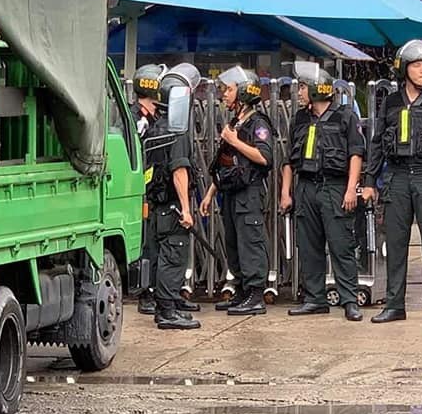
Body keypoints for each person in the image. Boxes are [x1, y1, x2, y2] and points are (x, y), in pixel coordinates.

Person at [362, 40, 422, 327]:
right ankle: (394, 305)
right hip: (397, 178)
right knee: (395, 244)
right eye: (417, 66)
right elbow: (377, 143)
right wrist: (370, 180)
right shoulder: (390, 104)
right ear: (404, 70)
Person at [280, 62, 365, 322]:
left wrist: (351, 189)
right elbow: (289, 160)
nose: (299, 92)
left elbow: (356, 154)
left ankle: (349, 300)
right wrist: (286, 192)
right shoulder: (300, 118)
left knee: (341, 246)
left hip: (335, 187)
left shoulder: (345, 116)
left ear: (319, 89)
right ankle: (314, 298)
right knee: (308, 246)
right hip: (306, 186)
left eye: (304, 87)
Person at [200, 66, 274, 316]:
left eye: (229, 90)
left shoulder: (258, 123)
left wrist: (235, 141)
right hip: (230, 192)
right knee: (234, 244)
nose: (224, 94)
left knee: (250, 242)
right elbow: (225, 161)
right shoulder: (235, 122)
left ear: (243, 93)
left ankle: (255, 294)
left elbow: (264, 157)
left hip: (249, 194)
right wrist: (210, 193)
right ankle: (242, 290)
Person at [144, 75, 200, 330]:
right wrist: (186, 209)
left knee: (163, 257)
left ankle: (168, 304)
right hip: (172, 207)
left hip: (158, 206)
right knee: (173, 257)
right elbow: (179, 171)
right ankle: (167, 311)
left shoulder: (157, 127)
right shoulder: (176, 132)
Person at [130, 63, 164, 316]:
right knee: (146, 244)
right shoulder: (137, 119)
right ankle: (145, 293)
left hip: (151, 191)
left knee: (152, 241)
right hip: (140, 192)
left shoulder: (149, 118)